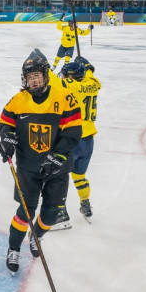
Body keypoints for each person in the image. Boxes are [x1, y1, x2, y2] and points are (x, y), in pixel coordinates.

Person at [0, 55, 83, 274]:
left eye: (37, 76)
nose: (33, 81)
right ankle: (14, 248)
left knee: (52, 212)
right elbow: (5, 123)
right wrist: (7, 139)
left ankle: (37, 236)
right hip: (28, 166)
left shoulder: (64, 97)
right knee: (25, 210)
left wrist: (59, 155)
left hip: (58, 167)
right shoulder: (19, 99)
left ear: (45, 76)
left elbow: (73, 131)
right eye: (29, 77)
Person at [50, 56, 102, 229]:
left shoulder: (72, 86)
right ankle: (85, 203)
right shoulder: (92, 85)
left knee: (58, 174)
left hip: (73, 139)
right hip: (88, 141)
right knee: (79, 176)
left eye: (65, 75)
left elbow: (52, 81)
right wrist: (88, 67)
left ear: (70, 77)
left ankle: (60, 212)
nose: (62, 77)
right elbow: (93, 80)